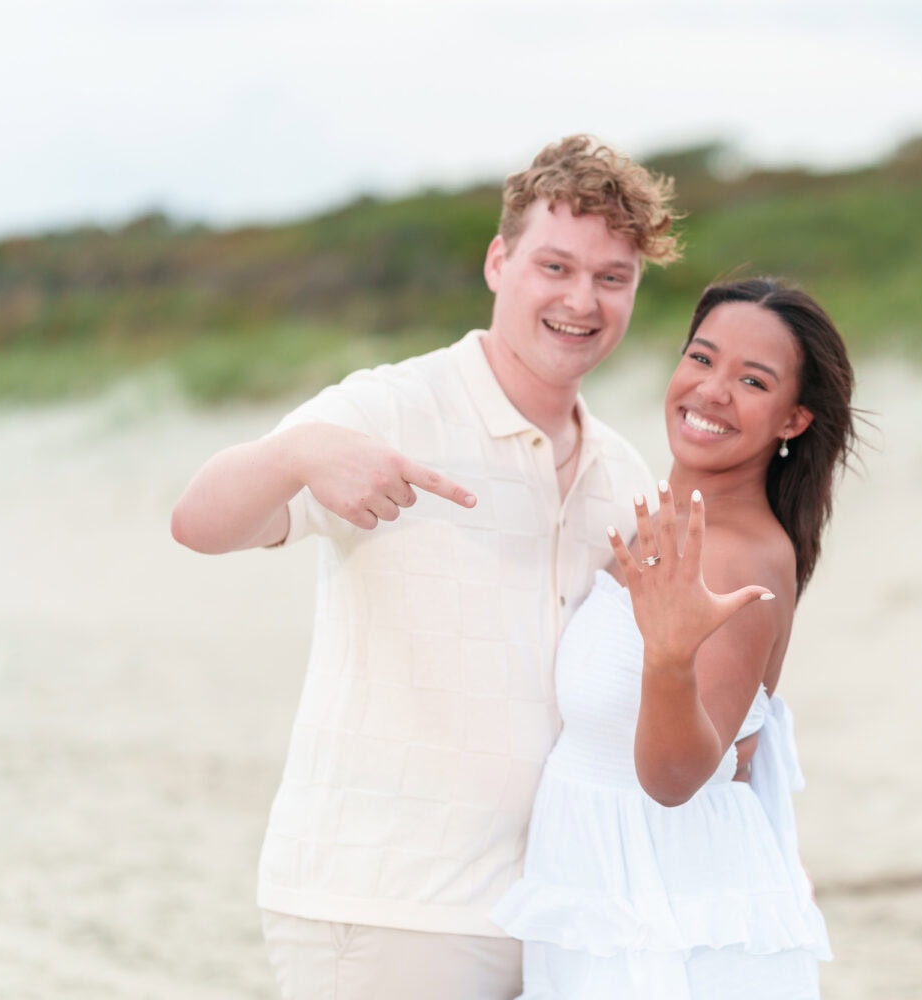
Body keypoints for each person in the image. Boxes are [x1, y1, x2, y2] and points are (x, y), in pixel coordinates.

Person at [169, 135, 680, 999]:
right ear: (498, 261)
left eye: (612, 277)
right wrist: (299, 453)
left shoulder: (624, 473)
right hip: (385, 907)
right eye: (554, 266)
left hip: (550, 914)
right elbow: (199, 522)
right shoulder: (388, 409)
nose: (581, 300)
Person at [491, 277, 858, 998]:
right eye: (701, 358)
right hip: (603, 895)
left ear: (793, 420)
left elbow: (673, 779)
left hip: (671, 916)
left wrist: (667, 659)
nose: (712, 390)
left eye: (753, 380)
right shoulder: (663, 522)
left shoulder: (739, 554)